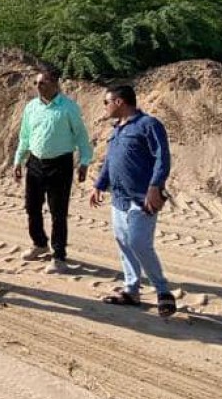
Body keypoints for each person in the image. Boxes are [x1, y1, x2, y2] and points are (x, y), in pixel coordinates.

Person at [88, 83, 177, 317]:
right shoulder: (117, 128)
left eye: (106, 102)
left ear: (119, 102)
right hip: (119, 198)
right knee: (123, 241)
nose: (104, 107)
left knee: (139, 242)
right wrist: (99, 185)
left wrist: (155, 187)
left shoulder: (149, 125)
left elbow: (162, 158)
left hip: (142, 198)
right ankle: (131, 290)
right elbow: (110, 161)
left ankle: (163, 291)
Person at [12, 67, 93, 274]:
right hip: (36, 163)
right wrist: (18, 161)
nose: (38, 86)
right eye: (36, 83)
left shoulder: (68, 108)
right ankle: (39, 243)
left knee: (58, 212)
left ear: (55, 84)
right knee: (32, 207)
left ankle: (59, 256)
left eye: (43, 82)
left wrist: (84, 161)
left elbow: (81, 136)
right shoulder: (31, 107)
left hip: (60, 164)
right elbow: (25, 136)